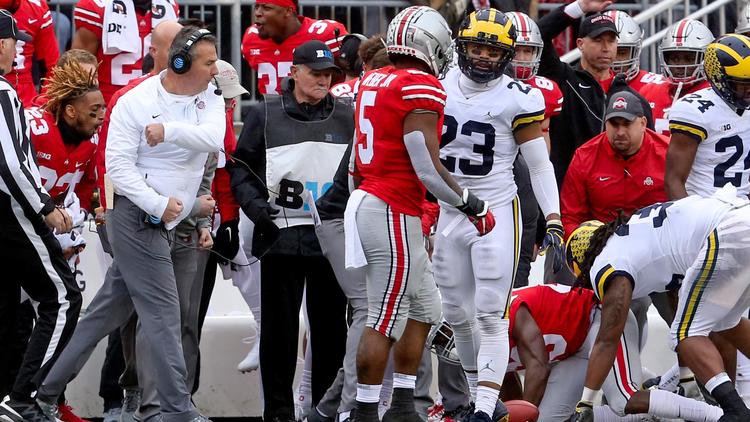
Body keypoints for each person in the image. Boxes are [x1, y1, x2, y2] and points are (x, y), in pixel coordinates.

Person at [35, 27, 224, 422]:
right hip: (135, 218)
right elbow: (119, 167)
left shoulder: (211, 96)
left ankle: (43, 391)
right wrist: (159, 204)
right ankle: (175, 410)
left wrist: (168, 133)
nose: (215, 70)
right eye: (208, 63)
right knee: (164, 313)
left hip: (170, 219)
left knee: (104, 314)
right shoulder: (134, 101)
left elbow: (213, 138)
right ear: (181, 62)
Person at [347, 6, 495, 422]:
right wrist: (471, 203)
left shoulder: (375, 77)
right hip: (391, 205)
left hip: (383, 201)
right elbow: (425, 166)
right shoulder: (418, 83)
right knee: (383, 317)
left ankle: (402, 405)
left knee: (424, 310)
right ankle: (363, 411)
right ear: (430, 44)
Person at [433, 8, 563, 422]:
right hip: (448, 211)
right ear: (461, 46)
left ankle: (486, 409)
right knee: (456, 314)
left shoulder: (518, 97)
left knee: (490, 313)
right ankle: (479, 398)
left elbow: (539, 164)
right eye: (477, 46)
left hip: (495, 212)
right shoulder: (436, 86)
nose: (485, 57)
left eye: (493, 50)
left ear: (507, 55)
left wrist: (553, 215)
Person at [229, 40, 350, 422]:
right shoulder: (266, 112)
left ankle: (322, 411)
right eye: (315, 73)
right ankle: (278, 413)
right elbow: (241, 169)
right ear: (294, 72)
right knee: (279, 334)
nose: (323, 80)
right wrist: (256, 209)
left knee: (331, 332)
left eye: (328, 74)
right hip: (281, 237)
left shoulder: (347, 114)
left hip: (330, 240)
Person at [566, 188, 750, 421]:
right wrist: (684, 376)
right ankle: (730, 407)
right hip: (741, 219)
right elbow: (677, 302)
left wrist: (585, 403)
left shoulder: (607, 263)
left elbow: (607, 340)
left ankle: (735, 410)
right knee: (725, 322)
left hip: (727, 232)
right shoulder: (638, 238)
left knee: (685, 334)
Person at [0, 10, 82, 422]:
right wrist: (44, 206)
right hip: (10, 209)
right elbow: (10, 162)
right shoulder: (2, 91)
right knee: (64, 296)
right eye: (15, 42)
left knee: (10, 306)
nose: (18, 50)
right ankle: (24, 397)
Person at [560, 91, 669, 238]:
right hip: (602, 244)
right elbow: (571, 217)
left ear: (643, 123)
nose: (620, 132)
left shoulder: (668, 153)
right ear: (605, 123)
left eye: (626, 124)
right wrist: (583, 244)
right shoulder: (585, 156)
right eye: (614, 124)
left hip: (658, 240)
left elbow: (687, 207)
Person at [71, 0, 180, 103]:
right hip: (108, 103)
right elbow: (78, 67)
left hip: (156, 101)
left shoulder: (169, 7)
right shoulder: (97, 7)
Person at [241, 0, 347, 95]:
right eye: (256, 7)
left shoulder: (325, 34)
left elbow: (354, 71)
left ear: (288, 11)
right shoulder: (251, 38)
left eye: (266, 8)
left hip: (318, 113)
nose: (257, 13)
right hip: (272, 113)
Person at [639, 18, 713, 135]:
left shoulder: (715, 95)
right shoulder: (649, 91)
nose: (680, 65)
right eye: (674, 59)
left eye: (689, 59)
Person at [505, 11, 563, 148]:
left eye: (528, 51)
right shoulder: (483, 85)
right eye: (516, 50)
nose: (522, 58)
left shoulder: (546, 91)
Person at [7, 0, 60, 105]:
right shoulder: (36, 7)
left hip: (23, 97)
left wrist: (43, 103)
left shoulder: (36, 7)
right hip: (23, 97)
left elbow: (52, 67)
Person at [604, 10, 665, 94]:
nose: (615, 59)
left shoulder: (656, 86)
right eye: (608, 51)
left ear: (635, 52)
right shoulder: (585, 84)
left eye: (622, 53)